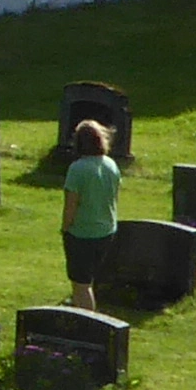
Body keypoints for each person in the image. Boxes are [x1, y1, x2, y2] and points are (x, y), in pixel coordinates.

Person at [61, 118, 120, 306]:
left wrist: (65, 228)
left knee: (81, 284)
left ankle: (87, 324)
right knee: (89, 279)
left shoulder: (77, 169)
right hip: (107, 230)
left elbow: (71, 205)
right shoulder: (111, 165)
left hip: (82, 233)